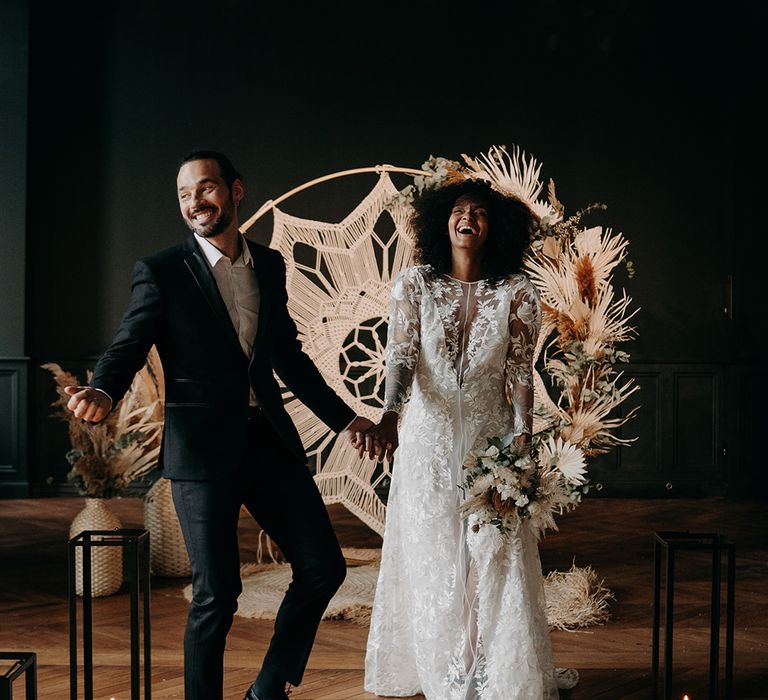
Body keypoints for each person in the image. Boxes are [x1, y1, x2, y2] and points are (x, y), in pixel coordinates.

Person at [63, 150, 373, 700]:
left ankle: (269, 686)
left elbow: (287, 356)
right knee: (217, 593)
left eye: (205, 189)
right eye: (184, 195)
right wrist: (104, 391)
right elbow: (127, 346)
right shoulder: (160, 271)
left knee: (323, 566)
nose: (194, 203)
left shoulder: (271, 265)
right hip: (201, 452)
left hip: (269, 442)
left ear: (235, 190)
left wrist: (348, 420)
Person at [360, 177, 560, 699]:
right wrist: (388, 415)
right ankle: (438, 659)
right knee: (433, 554)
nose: (467, 217)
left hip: (490, 444)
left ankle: (472, 664)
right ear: (441, 222)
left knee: (489, 553)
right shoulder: (414, 285)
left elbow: (519, 371)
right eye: (458, 209)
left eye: (481, 212)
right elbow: (400, 357)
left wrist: (521, 440)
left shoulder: (517, 292)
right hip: (426, 443)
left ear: (495, 229)